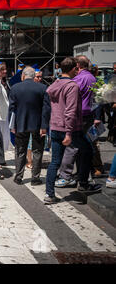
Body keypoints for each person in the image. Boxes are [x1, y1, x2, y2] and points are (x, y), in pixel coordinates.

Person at [45, 57, 102, 205]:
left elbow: (49, 94)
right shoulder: (72, 86)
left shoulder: (54, 84)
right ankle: (83, 183)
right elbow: (70, 111)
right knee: (88, 151)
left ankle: (49, 194)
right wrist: (69, 133)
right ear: (73, 69)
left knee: (55, 162)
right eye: (76, 69)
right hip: (70, 129)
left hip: (55, 127)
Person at [56, 55, 104, 187]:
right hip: (89, 115)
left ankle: (65, 175)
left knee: (72, 145)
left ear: (77, 65)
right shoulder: (93, 78)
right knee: (86, 146)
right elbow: (98, 99)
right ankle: (84, 175)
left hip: (78, 115)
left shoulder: (77, 79)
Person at [9, 67, 51, 186]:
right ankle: (35, 177)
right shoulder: (43, 88)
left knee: (20, 150)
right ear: (33, 77)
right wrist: (44, 126)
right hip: (37, 125)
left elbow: (11, 109)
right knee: (37, 151)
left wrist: (12, 125)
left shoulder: (15, 88)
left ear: (23, 76)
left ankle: (18, 176)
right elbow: (46, 109)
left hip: (20, 124)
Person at [27, 70, 44, 168]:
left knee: (39, 142)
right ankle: (29, 161)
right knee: (30, 142)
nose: (39, 79)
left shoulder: (43, 88)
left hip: (40, 118)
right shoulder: (29, 88)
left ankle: (37, 161)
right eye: (37, 77)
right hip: (29, 119)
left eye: (40, 77)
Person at [0, 62, 11, 159]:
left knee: (5, 135)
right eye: (2, 70)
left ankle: (1, 156)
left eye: (5, 69)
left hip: (6, 112)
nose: (5, 71)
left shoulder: (6, 82)